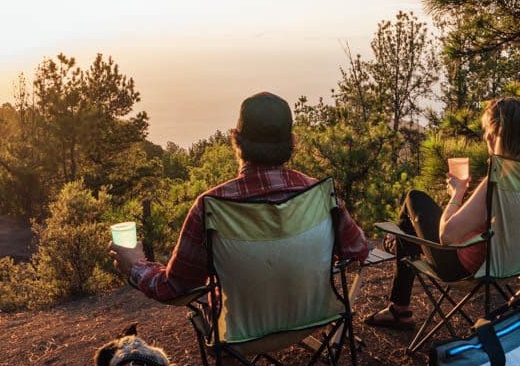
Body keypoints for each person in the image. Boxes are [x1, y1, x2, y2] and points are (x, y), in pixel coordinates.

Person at [110, 91, 370, 302]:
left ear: (236, 140)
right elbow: (358, 249)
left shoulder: (210, 207)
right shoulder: (322, 195)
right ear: (293, 142)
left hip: (241, 332)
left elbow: (174, 287)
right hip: (314, 317)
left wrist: (135, 265)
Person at [366, 96, 520, 328]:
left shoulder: (498, 179)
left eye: (485, 132)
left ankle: (399, 303)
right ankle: (401, 243)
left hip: (464, 267)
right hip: (516, 261)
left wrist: (457, 192)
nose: (483, 138)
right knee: (412, 221)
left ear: (493, 135)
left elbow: (447, 236)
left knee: (414, 198)